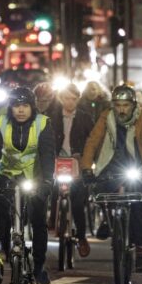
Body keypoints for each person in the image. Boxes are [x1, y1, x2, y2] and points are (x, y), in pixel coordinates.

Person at [81, 84, 142, 272]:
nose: (121, 109)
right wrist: (86, 167)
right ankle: (107, 219)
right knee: (100, 191)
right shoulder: (105, 117)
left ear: (133, 105)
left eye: (125, 105)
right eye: (118, 105)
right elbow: (93, 141)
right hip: (111, 165)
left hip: (137, 166)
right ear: (113, 105)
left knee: (140, 208)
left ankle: (140, 250)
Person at [0, 87, 56, 284]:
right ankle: (5, 248)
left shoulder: (43, 123)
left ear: (32, 107)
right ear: (11, 108)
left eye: (25, 106)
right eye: (16, 106)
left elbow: (48, 155)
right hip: (7, 174)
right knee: (1, 208)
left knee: (38, 219)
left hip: (35, 175)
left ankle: (39, 266)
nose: (21, 110)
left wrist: (48, 180)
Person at [51, 84, 96, 257]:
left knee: (78, 203)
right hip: (57, 162)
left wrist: (88, 160)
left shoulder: (85, 118)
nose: (70, 102)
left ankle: (82, 237)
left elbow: (92, 140)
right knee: (50, 191)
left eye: (74, 99)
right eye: (67, 98)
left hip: (78, 162)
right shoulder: (52, 117)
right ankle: (52, 220)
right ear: (61, 99)